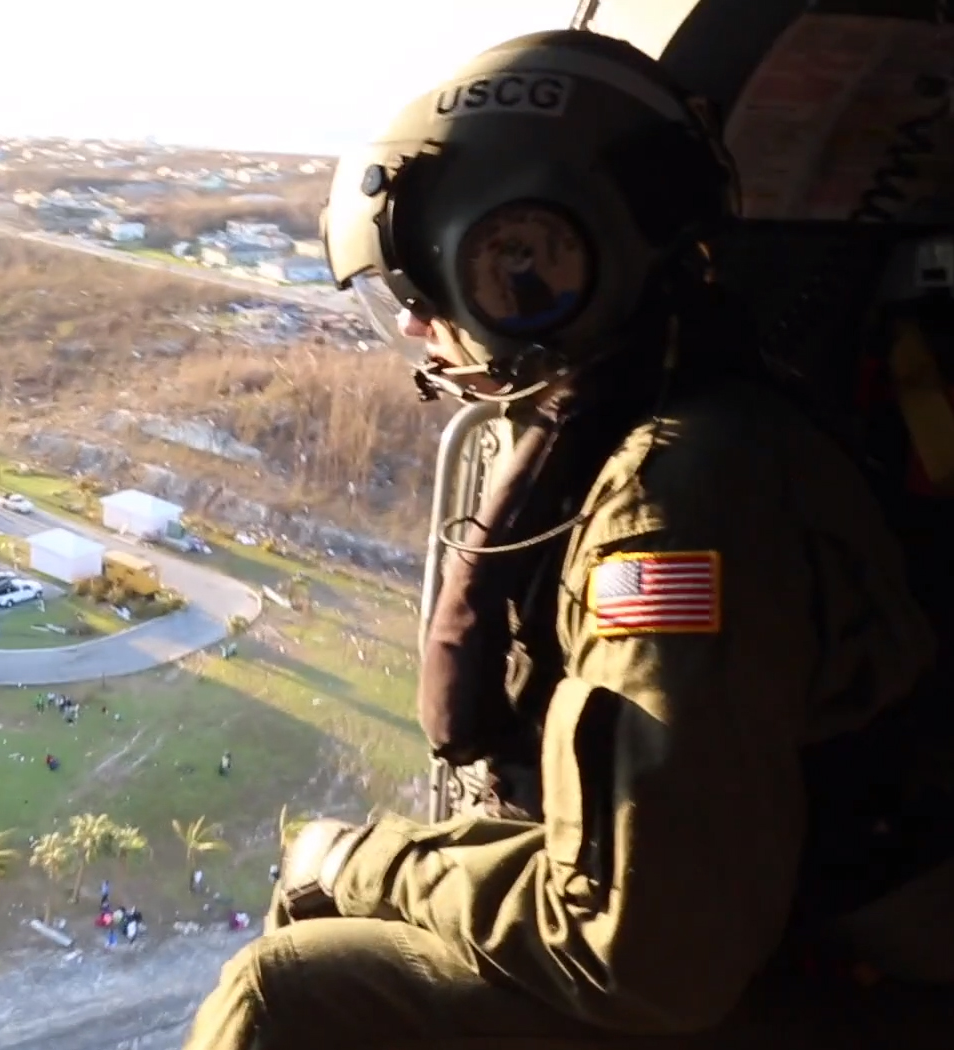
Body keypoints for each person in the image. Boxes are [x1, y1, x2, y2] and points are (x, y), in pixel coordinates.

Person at [184, 30, 936, 1049]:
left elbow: (646, 957)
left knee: (289, 993)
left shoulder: (672, 500)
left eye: (424, 283)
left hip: (843, 982)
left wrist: (357, 862)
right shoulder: (700, 424)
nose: (411, 326)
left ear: (537, 256)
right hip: (790, 934)